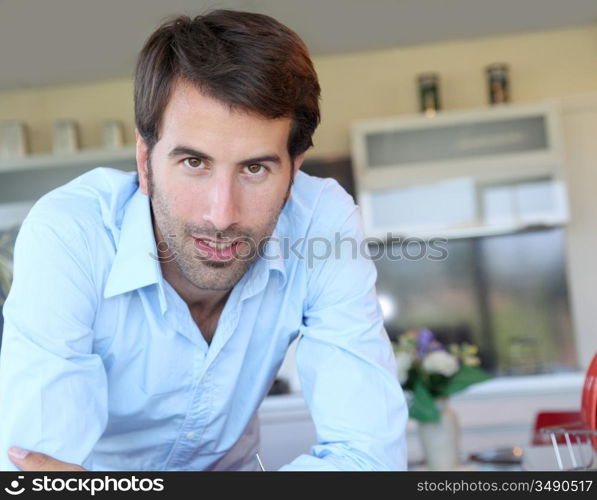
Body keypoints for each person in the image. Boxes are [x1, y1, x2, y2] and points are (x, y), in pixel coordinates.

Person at [0, 10, 407, 471]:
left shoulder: (320, 221)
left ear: (294, 171)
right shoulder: (70, 231)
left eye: (255, 169)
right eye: (194, 163)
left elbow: (368, 457)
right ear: (145, 160)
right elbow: (34, 468)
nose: (221, 215)